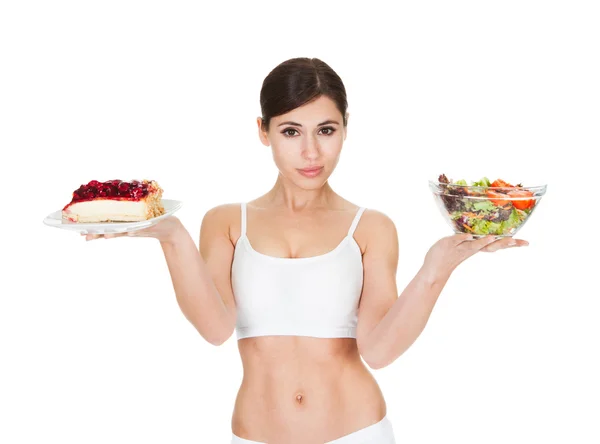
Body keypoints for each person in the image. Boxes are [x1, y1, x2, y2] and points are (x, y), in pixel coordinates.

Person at [84, 57, 529, 443]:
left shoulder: (370, 227)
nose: (311, 151)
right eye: (291, 131)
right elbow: (216, 328)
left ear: (346, 129)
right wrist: (172, 237)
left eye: (327, 130)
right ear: (263, 131)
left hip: (358, 434)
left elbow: (378, 351)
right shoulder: (225, 223)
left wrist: (437, 267)